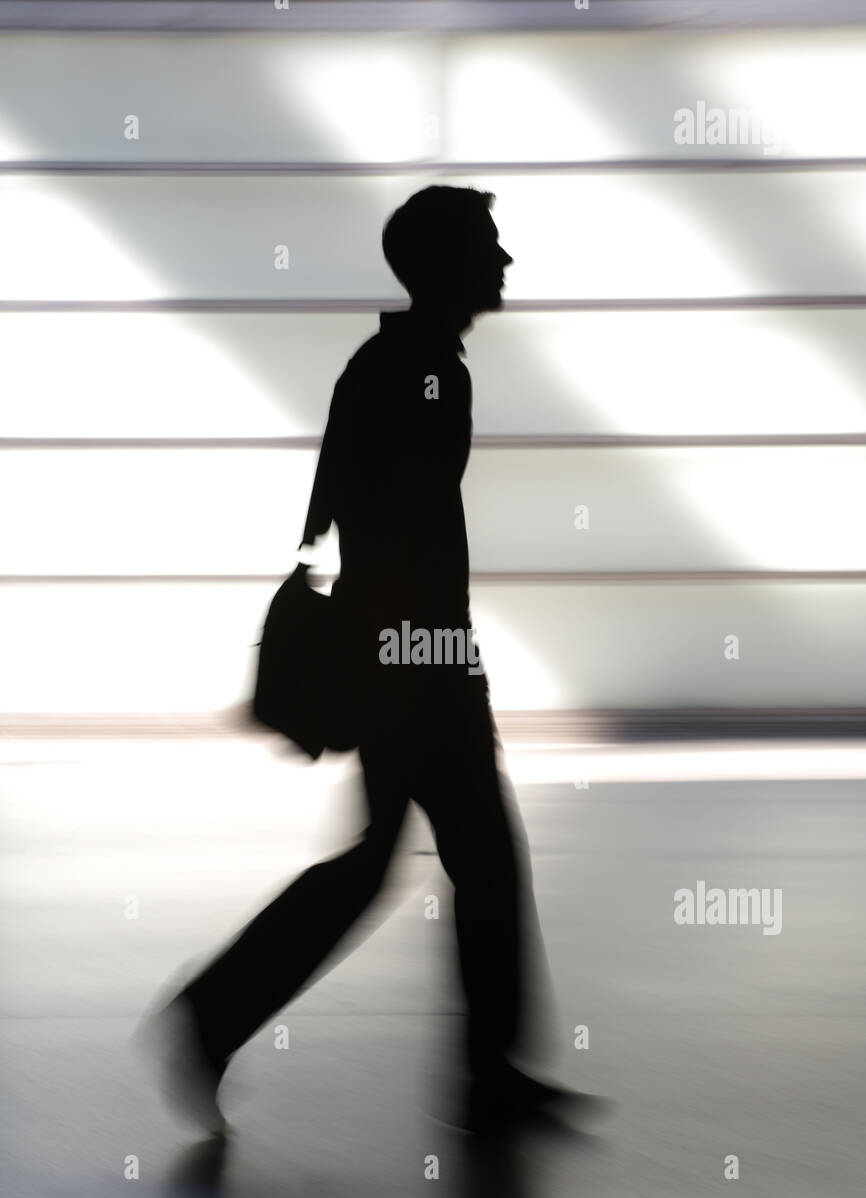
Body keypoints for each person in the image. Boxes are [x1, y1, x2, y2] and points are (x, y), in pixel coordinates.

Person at [142, 186, 596, 1137]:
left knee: (390, 861)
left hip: (405, 658)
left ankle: (217, 1015)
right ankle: (482, 1074)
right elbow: (399, 534)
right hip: (417, 667)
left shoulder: (398, 363)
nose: (504, 262)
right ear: (441, 265)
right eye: (488, 246)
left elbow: (350, 515)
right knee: (475, 857)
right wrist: (437, 659)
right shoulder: (417, 369)